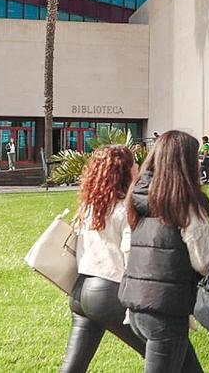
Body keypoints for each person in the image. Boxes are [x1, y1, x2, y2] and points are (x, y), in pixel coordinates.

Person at [120, 130, 209, 373]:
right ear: (184, 163)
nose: (199, 162)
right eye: (195, 157)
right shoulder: (189, 204)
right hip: (166, 312)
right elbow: (203, 262)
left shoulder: (139, 197)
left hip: (138, 306)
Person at [59, 145, 147, 372]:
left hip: (81, 291)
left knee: (72, 367)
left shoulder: (90, 205)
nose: (138, 167)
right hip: (110, 291)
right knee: (167, 354)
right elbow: (130, 253)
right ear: (124, 171)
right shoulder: (126, 208)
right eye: (134, 164)